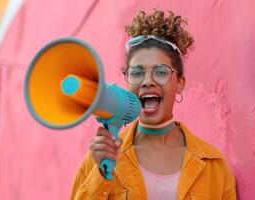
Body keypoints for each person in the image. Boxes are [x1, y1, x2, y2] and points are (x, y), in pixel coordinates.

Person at [70, 8, 236, 200]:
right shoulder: (98, 158)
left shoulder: (214, 166)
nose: (147, 81)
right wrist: (100, 176)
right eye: (137, 72)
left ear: (180, 83)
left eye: (161, 72)